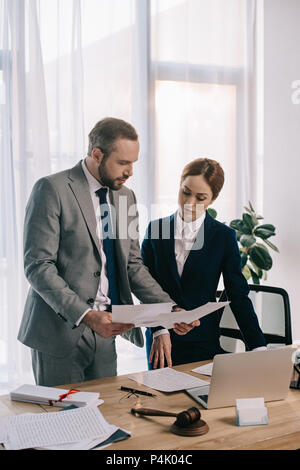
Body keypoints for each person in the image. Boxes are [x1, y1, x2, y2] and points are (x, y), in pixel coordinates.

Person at [18, 117, 197, 386]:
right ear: (97, 154)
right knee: (64, 422)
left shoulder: (126, 197)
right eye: (123, 163)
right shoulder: (51, 189)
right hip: (59, 333)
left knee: (104, 416)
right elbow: (38, 266)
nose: (130, 172)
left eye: (134, 163)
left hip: (106, 334)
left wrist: (169, 310)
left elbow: (132, 265)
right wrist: (87, 316)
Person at [141, 158, 267, 368]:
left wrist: (258, 347)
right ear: (179, 185)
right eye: (186, 192)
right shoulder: (156, 230)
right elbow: (144, 286)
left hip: (202, 342)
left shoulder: (223, 236)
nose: (190, 203)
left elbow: (237, 294)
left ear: (212, 199)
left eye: (200, 198)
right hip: (162, 340)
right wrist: (160, 328)